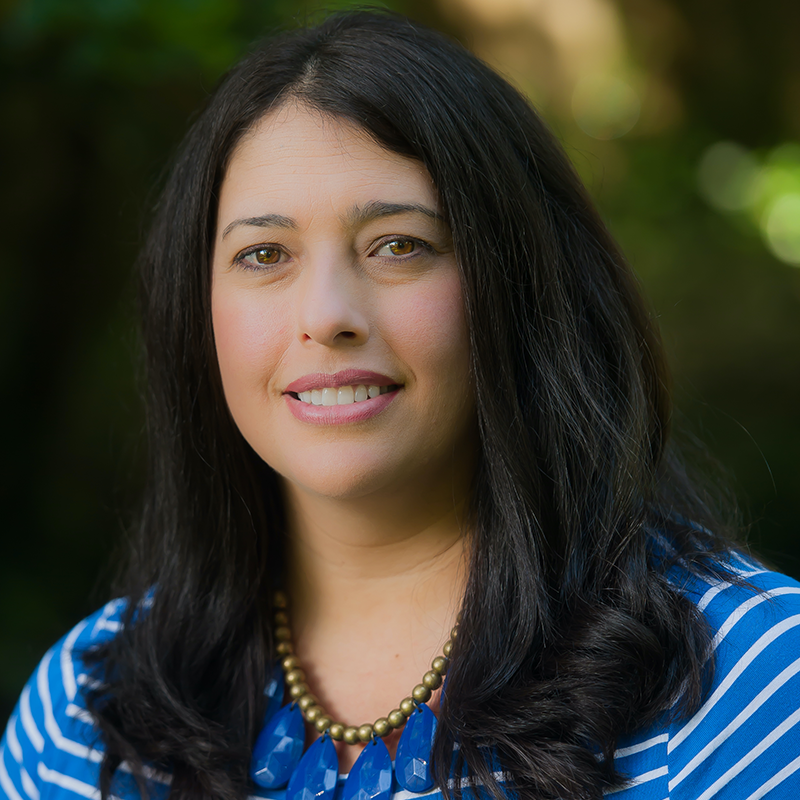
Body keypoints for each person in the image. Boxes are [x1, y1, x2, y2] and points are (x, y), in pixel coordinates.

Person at [2, 9, 799, 800]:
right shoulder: (82, 717)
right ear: (196, 312)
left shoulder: (747, 686)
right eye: (264, 254)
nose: (326, 315)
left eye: (398, 245)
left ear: (516, 285)